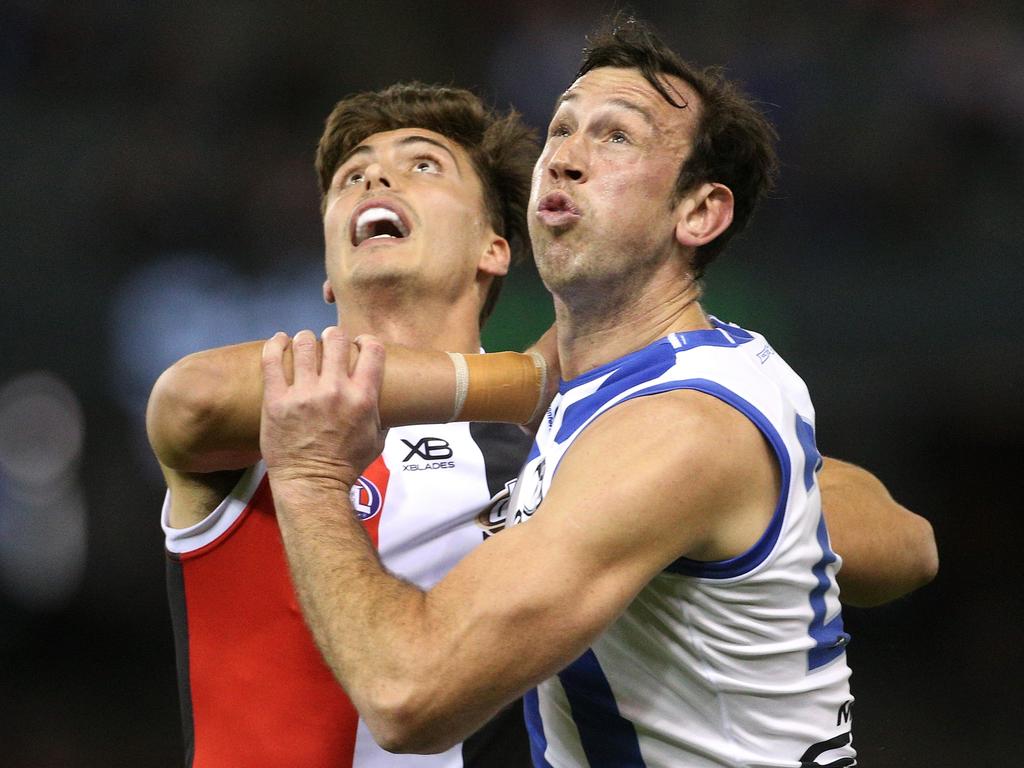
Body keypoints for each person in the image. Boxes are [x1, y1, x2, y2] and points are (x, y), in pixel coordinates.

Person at [252, 18, 938, 768]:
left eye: (617, 138)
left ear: (700, 211)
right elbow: (913, 547)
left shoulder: (678, 427)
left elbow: (408, 696)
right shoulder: (687, 372)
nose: (567, 159)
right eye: (563, 128)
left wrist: (311, 475)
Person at [147, 83, 544, 768]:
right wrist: (524, 378)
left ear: (494, 247)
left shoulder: (551, 455)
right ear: (329, 274)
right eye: (350, 176)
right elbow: (191, 401)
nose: (376, 176)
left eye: (424, 164)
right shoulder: (265, 419)